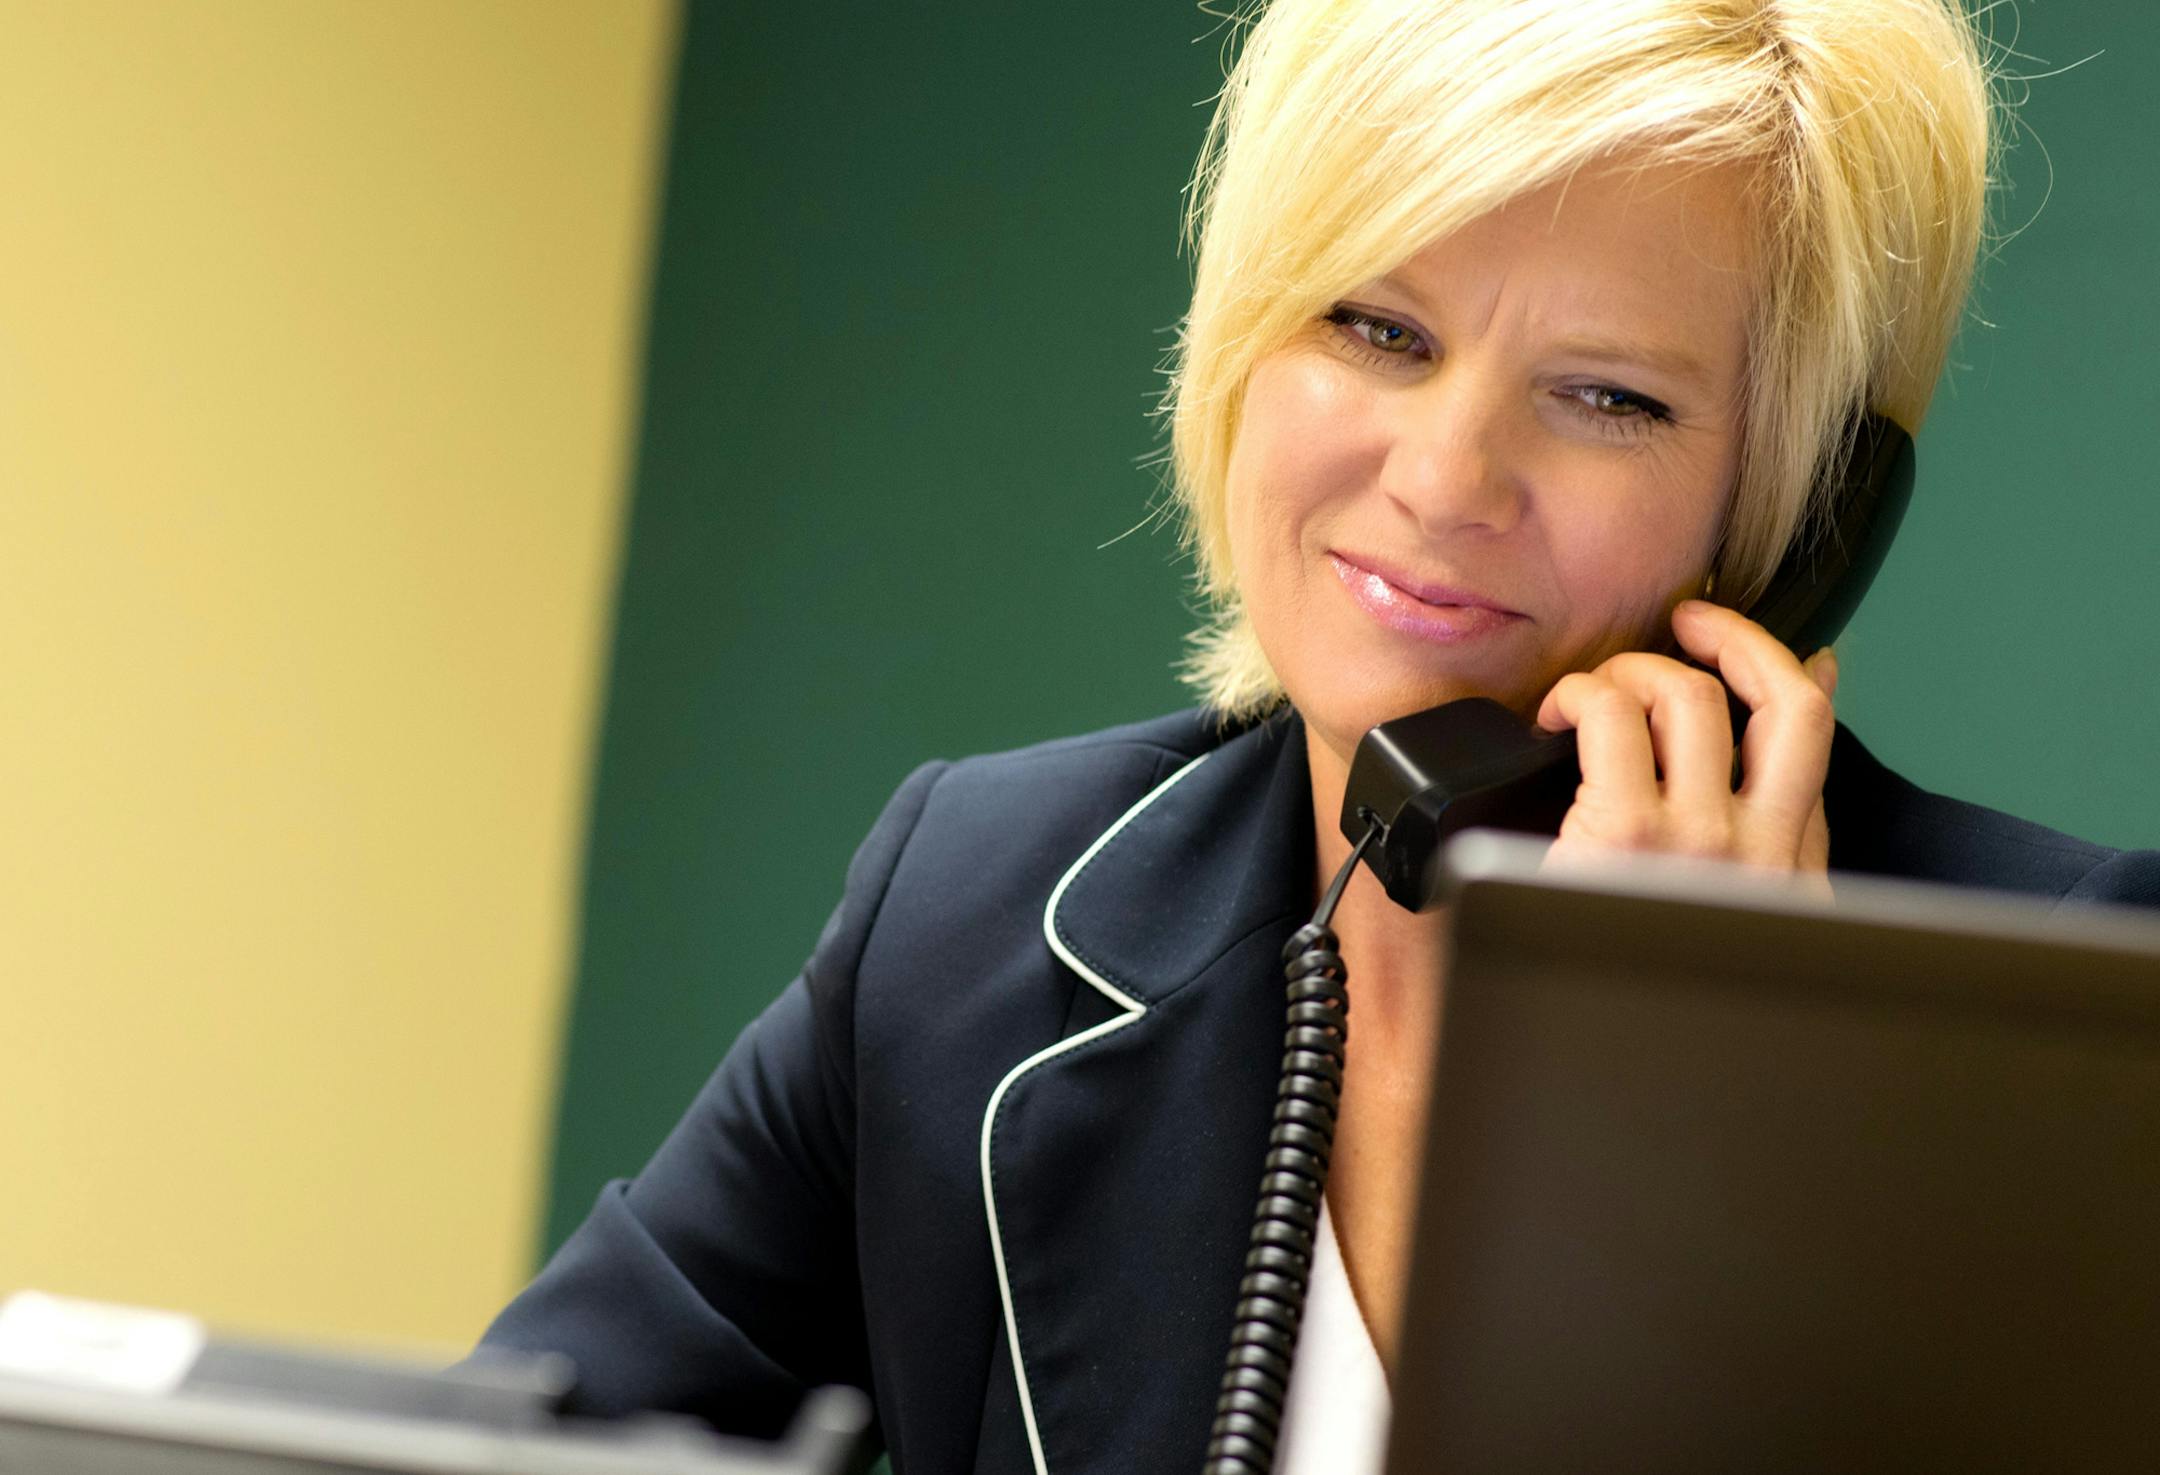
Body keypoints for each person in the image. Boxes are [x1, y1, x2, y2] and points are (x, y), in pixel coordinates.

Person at [479, 2, 2160, 1472]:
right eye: (1378, 328)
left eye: (1610, 397)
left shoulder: (2071, 1014)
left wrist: (1699, 1142)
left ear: (1797, 521)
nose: (1443, 479)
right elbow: (516, 1445)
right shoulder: (978, 916)